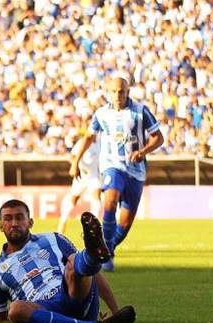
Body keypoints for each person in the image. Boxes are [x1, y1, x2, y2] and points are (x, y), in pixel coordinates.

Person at [0, 199, 136, 323]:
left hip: (73, 294)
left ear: (30, 222)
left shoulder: (54, 239)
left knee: (73, 264)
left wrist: (116, 312)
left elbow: (92, 273)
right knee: (15, 309)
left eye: (19, 218)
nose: (14, 223)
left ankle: (92, 253)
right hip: (43, 308)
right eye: (8, 219)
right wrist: (26, 318)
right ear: (0, 226)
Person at [70, 74, 164, 271]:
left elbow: (158, 138)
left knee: (126, 223)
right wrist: (76, 161)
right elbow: (88, 137)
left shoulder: (140, 112)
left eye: (121, 91)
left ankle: (108, 249)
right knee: (110, 199)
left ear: (128, 92)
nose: (117, 95)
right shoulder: (101, 114)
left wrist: (143, 151)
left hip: (136, 171)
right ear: (108, 93)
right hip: (112, 165)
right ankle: (104, 253)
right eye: (113, 91)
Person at [57, 140, 101, 234]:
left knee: (96, 196)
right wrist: (76, 166)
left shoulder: (102, 141)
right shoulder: (83, 142)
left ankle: (93, 225)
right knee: (74, 199)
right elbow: (72, 156)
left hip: (94, 176)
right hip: (82, 175)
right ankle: (63, 221)